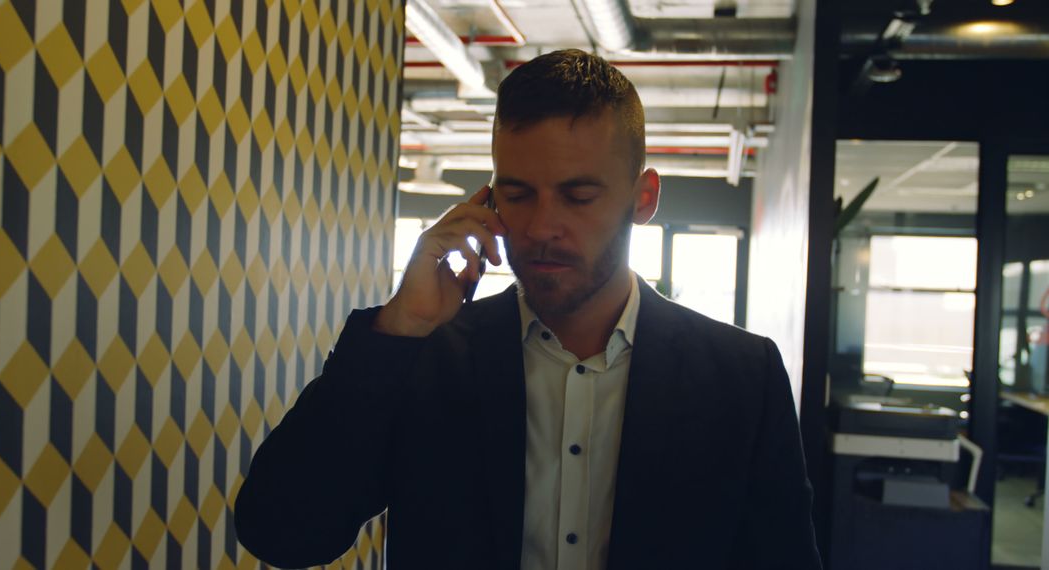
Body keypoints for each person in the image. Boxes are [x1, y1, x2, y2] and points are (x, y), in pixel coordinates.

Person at [234, 49, 821, 570]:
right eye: (517, 194)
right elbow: (283, 533)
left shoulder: (743, 376)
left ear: (643, 199)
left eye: (579, 195)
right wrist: (398, 328)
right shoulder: (428, 355)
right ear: (488, 197)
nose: (542, 228)